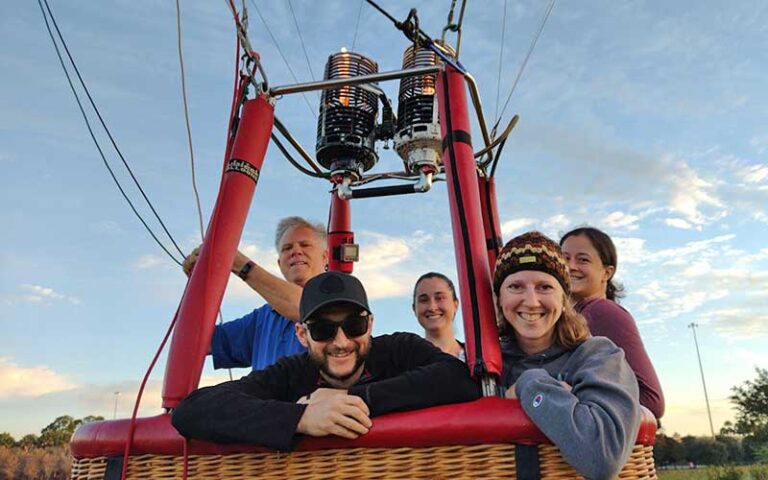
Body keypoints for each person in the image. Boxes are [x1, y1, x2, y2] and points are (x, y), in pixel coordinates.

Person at [171, 271, 480, 450]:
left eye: (354, 325)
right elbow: (191, 410)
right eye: (323, 329)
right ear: (303, 335)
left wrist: (349, 400)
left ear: (370, 325)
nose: (341, 341)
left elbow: (457, 377)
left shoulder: (397, 349)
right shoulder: (291, 372)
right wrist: (301, 418)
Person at [494, 231, 641, 480]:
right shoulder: (487, 364)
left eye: (544, 287)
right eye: (516, 286)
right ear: (500, 299)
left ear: (564, 299)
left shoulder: (598, 356)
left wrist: (529, 385)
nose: (531, 301)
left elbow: (601, 456)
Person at [183, 217, 327, 371]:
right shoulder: (263, 317)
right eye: (287, 248)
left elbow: (308, 306)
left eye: (305, 245)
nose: (296, 251)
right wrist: (198, 284)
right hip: (264, 395)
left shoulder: (341, 300)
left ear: (325, 257)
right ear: (280, 263)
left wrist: (240, 264)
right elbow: (198, 340)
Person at [560, 226, 665, 419]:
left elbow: (652, 401)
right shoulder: (570, 317)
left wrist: (568, 395)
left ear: (607, 273)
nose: (570, 266)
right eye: (564, 258)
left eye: (582, 259)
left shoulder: (602, 312)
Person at [412, 272, 465, 361]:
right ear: (414, 308)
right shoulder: (403, 363)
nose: (432, 307)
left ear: (455, 304)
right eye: (424, 300)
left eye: (440, 298)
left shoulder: (476, 359)